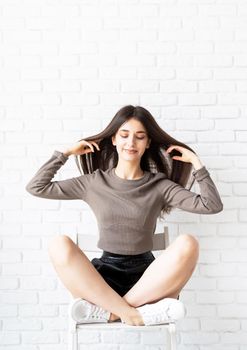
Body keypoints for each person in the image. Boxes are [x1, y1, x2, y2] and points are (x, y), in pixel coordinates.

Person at [26, 105, 223, 326]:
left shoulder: (159, 185)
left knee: (189, 243)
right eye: (124, 135)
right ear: (113, 139)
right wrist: (65, 154)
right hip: (103, 278)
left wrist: (197, 163)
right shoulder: (93, 182)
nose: (131, 143)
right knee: (58, 244)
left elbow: (211, 205)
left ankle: (112, 312)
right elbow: (37, 187)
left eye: (140, 137)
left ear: (147, 143)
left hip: (147, 279)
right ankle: (135, 315)